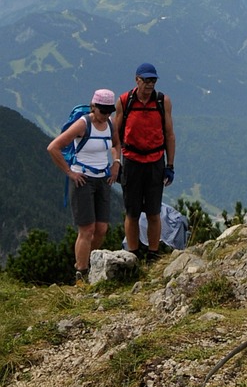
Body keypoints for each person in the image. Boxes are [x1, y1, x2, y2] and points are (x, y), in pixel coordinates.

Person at [47, 89, 121, 284]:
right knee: (86, 229)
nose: (105, 115)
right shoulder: (82, 125)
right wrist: (70, 173)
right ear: (93, 107)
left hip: (103, 179)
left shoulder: (110, 124)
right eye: (102, 111)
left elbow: (116, 145)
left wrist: (116, 163)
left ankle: (89, 262)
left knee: (102, 228)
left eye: (109, 111)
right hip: (83, 180)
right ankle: (81, 272)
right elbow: (53, 147)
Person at [115, 63, 175, 260]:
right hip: (131, 161)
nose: (150, 84)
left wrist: (170, 165)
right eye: (146, 80)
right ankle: (132, 254)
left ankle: (153, 253)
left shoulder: (162, 101)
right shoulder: (125, 101)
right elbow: (115, 134)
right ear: (137, 79)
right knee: (131, 212)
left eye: (153, 80)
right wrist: (116, 161)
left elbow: (169, 134)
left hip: (155, 161)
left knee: (153, 212)